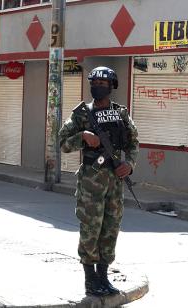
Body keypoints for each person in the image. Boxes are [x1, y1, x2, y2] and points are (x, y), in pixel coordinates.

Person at [58, 66, 139, 297]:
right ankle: (90, 279)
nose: (98, 87)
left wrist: (130, 164)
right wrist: (82, 136)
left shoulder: (120, 113)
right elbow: (62, 142)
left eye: (103, 84)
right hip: (91, 179)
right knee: (90, 228)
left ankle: (103, 276)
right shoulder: (82, 114)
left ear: (112, 86)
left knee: (111, 227)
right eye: (95, 83)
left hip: (115, 179)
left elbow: (134, 142)